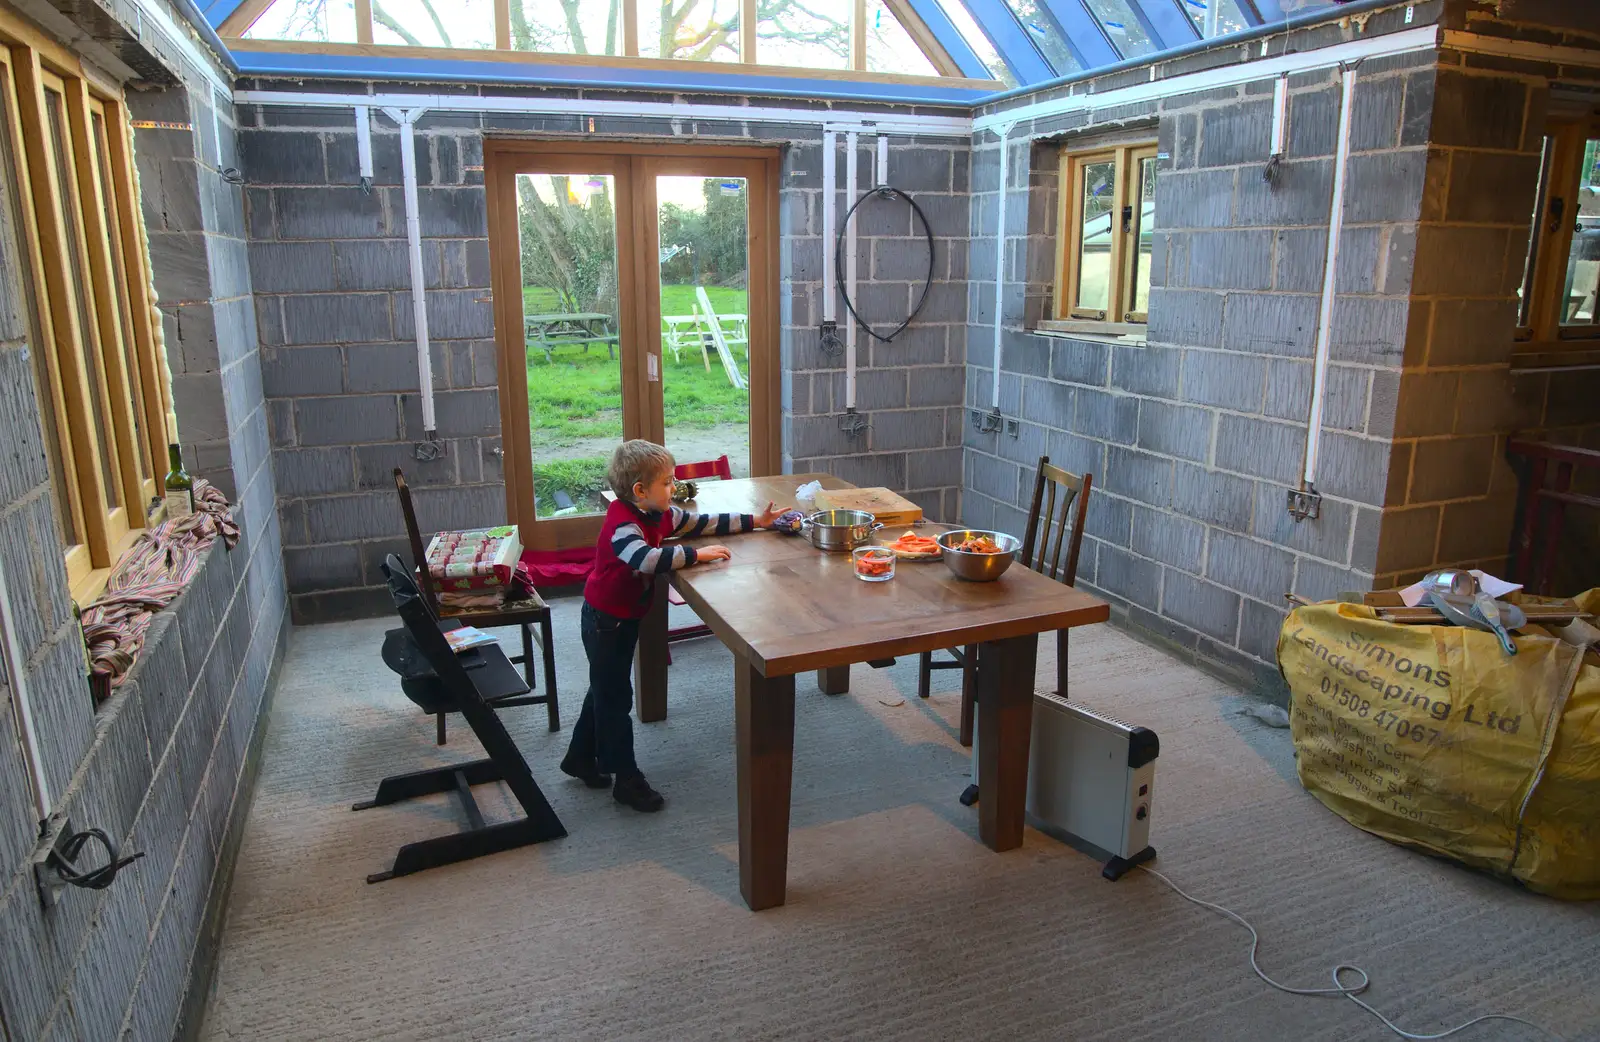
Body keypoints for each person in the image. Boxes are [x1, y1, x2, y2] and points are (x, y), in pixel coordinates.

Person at [560, 440, 781, 812]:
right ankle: (626, 779)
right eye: (667, 481)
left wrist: (754, 521)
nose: (674, 486)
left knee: (604, 688)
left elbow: (702, 523)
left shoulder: (660, 512)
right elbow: (645, 559)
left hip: (622, 618)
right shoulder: (622, 524)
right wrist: (696, 556)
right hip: (604, 621)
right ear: (640, 491)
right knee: (614, 698)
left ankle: (580, 758)